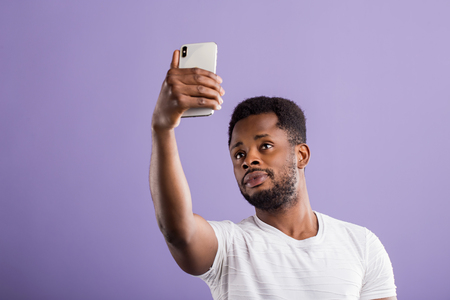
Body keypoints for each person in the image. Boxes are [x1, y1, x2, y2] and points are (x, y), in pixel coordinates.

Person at [150, 50, 397, 300]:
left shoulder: (361, 245)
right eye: (238, 154)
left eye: (265, 146)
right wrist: (163, 127)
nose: (248, 160)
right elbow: (179, 231)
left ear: (301, 155)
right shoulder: (228, 247)